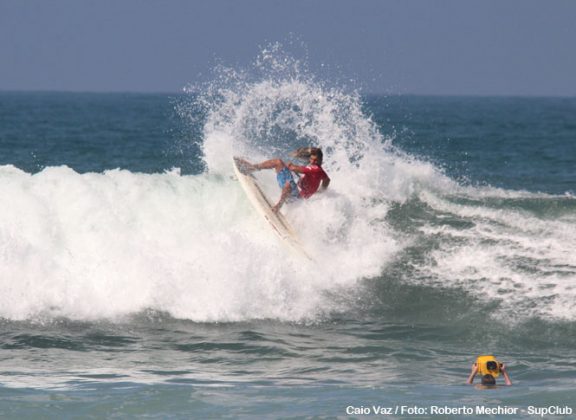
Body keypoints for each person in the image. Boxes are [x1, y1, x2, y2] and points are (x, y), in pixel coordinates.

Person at [238, 147, 330, 213]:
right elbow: (327, 180)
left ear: (320, 160)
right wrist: (321, 191)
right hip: (296, 194)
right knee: (277, 162)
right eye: (311, 159)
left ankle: (278, 206)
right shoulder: (321, 172)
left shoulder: (314, 169)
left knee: (288, 184)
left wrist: (291, 165)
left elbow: (295, 169)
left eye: (315, 160)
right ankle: (252, 168)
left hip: (296, 199)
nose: (312, 162)